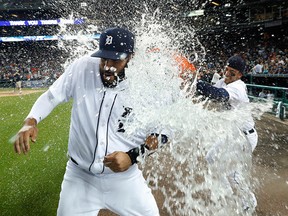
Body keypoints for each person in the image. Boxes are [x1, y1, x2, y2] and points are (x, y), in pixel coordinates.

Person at [13, 27, 168, 216]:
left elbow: (163, 132)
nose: (108, 65)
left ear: (130, 58)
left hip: (124, 180)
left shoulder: (148, 84)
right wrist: (31, 120)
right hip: (79, 178)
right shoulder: (82, 67)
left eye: (116, 59)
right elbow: (51, 96)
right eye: (104, 58)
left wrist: (133, 156)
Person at [196, 55, 258, 211]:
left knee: (232, 173)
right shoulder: (224, 81)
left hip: (245, 137)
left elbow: (219, 95)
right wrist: (190, 81)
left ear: (239, 75)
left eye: (232, 72)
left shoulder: (238, 86)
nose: (227, 74)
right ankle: (227, 192)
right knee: (211, 158)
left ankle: (249, 202)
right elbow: (209, 91)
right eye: (227, 70)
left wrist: (195, 84)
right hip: (233, 135)